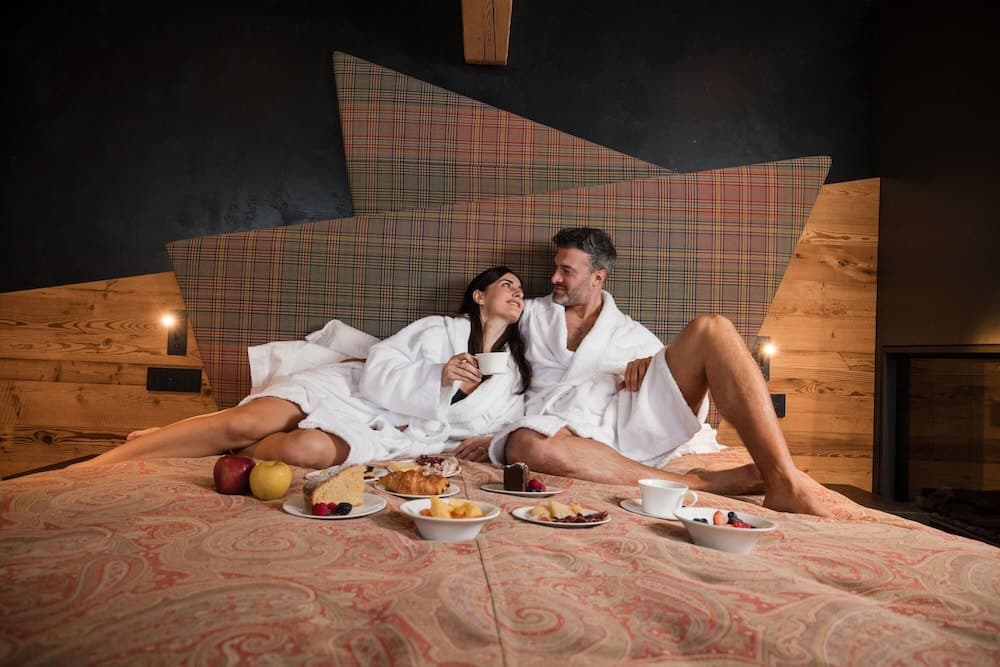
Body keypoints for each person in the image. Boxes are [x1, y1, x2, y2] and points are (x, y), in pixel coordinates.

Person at [477, 228, 830, 516]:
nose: (554, 278)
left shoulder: (632, 334)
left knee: (714, 329)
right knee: (523, 444)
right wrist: (489, 428)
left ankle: (784, 481)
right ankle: (701, 483)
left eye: (566, 271)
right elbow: (483, 343)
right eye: (556, 268)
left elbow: (686, 404)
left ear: (598, 277)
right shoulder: (529, 314)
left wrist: (650, 364)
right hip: (560, 431)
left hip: (626, 420)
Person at [76, 267, 530, 469]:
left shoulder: (512, 373)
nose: (516, 293)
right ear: (479, 296)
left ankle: (200, 445)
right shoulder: (437, 329)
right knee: (246, 421)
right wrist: (436, 376)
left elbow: (502, 423)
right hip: (351, 391)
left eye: (521, 292)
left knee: (302, 451)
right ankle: (98, 466)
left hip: (390, 434)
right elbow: (379, 365)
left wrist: (491, 441)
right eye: (507, 285)